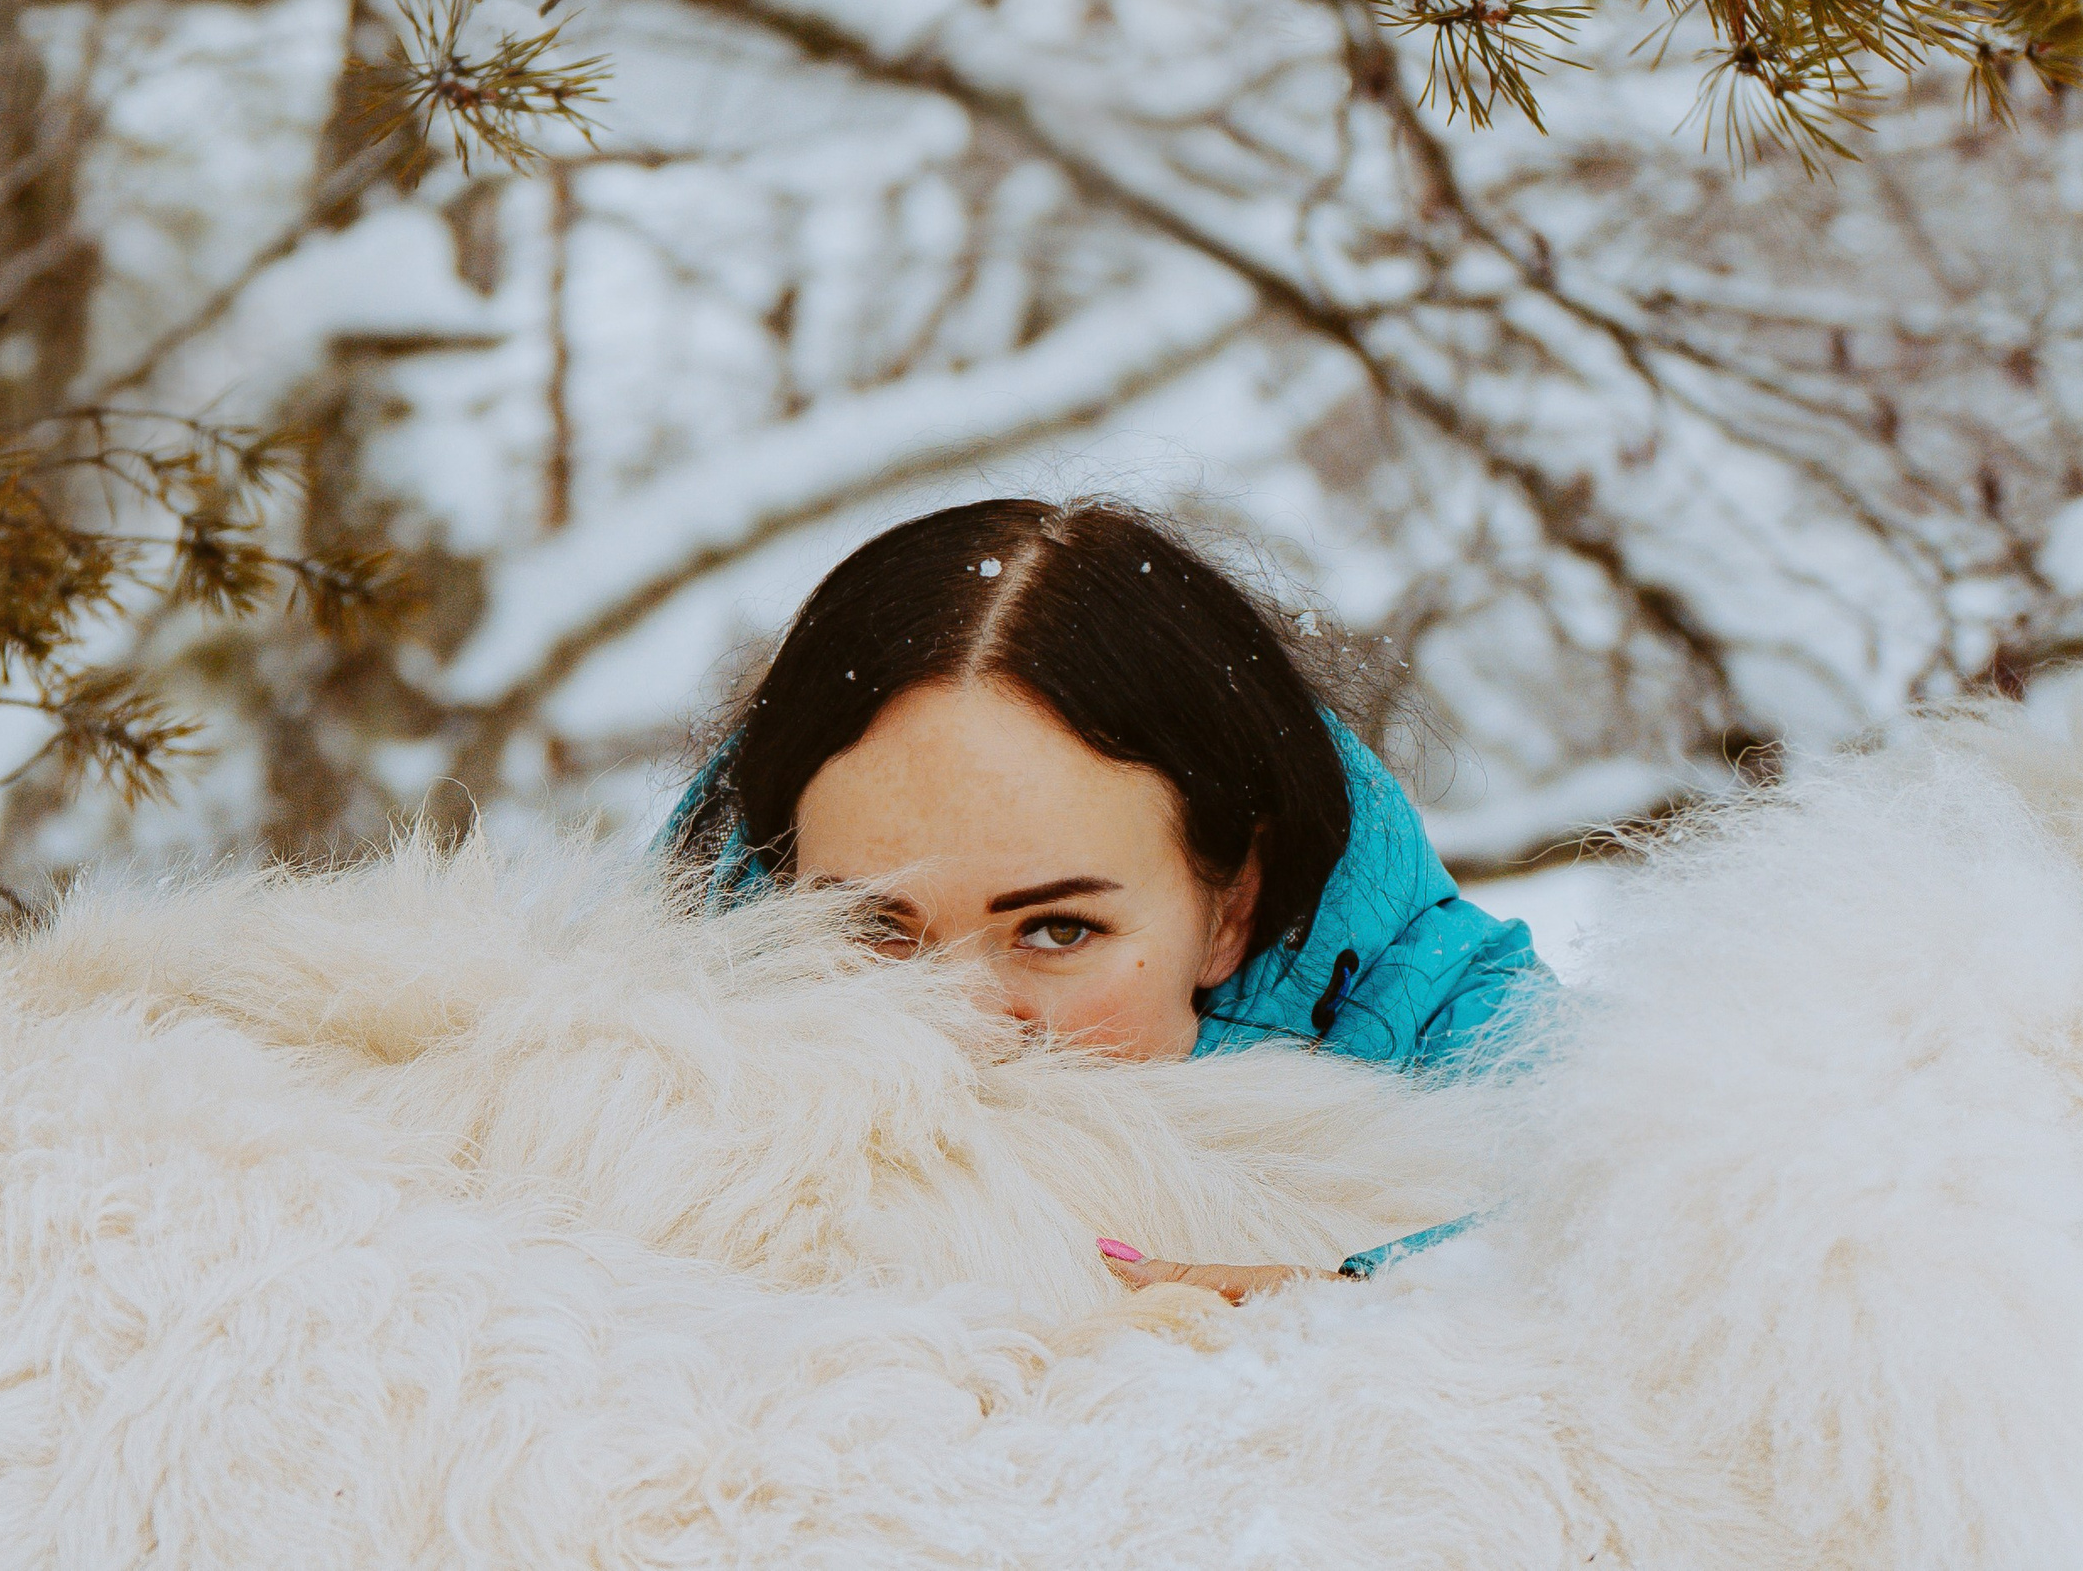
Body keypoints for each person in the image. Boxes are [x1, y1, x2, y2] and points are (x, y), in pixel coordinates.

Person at [660, 498, 1549, 1299]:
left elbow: (1664, 1217)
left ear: (1231, 911)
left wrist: (1376, 1295)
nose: (961, 1025)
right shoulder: (637, 1068)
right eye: (870, 927)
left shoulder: (1459, 1023)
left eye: (1056, 928)